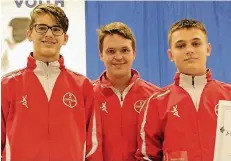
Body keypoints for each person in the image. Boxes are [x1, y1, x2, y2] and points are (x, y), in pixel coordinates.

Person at [1, 4, 102, 161]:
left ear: (65, 38)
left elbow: (93, 147)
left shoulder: (83, 86)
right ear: (29, 34)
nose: (49, 34)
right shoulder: (7, 85)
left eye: (56, 29)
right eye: (42, 28)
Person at [135, 18, 231, 161]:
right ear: (170, 55)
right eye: (180, 46)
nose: (189, 50)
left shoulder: (228, 95)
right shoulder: (156, 103)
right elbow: (146, 157)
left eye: (196, 43)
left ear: (208, 49)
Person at [93, 22, 160, 161]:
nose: (118, 57)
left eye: (124, 50)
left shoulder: (155, 97)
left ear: (134, 53)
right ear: (101, 55)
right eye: (111, 51)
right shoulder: (87, 95)